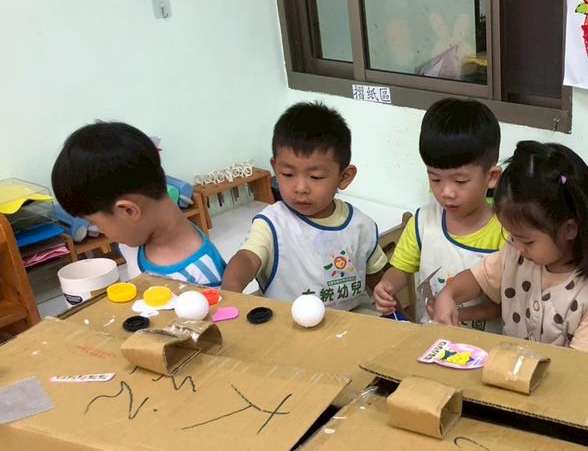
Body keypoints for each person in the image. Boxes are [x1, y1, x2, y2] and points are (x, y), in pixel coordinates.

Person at [432, 141, 588, 359]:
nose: (517, 247)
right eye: (512, 236)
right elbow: (479, 278)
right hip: (522, 374)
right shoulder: (518, 253)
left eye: (527, 241)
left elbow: (583, 371)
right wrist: (448, 294)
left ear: (569, 229)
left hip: (578, 379)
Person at [221, 102, 386, 309]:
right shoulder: (273, 224)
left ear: (344, 177)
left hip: (353, 324)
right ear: (275, 168)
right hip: (289, 326)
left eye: (315, 177)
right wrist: (231, 289)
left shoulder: (360, 225)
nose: (300, 188)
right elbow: (247, 258)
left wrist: (393, 311)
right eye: (288, 174)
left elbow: (378, 281)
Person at [373, 98, 503, 330]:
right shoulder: (423, 222)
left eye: (460, 181)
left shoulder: (507, 231)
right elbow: (401, 269)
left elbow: (506, 303)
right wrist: (387, 286)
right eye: (435, 179)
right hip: (433, 340)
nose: (446, 192)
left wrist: (457, 314)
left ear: (491, 177)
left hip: (486, 345)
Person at [51, 121, 225, 286]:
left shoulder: (202, 277)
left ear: (128, 210)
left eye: (94, 223)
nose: (100, 231)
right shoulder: (135, 238)